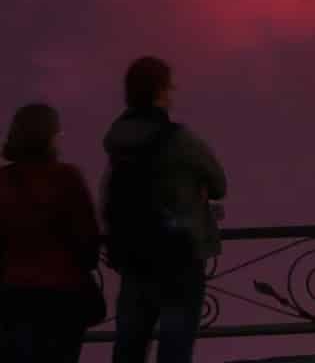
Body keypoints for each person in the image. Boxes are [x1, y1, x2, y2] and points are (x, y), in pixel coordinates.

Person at [100, 59, 225, 363]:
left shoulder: (117, 142)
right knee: (175, 348)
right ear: (159, 92)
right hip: (178, 257)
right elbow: (219, 182)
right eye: (169, 87)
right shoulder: (178, 139)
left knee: (129, 347)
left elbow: (107, 197)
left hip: (134, 257)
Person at [1, 104, 103, 363]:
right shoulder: (67, 178)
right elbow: (88, 244)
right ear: (50, 137)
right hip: (62, 299)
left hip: (12, 298)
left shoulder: (3, 183)